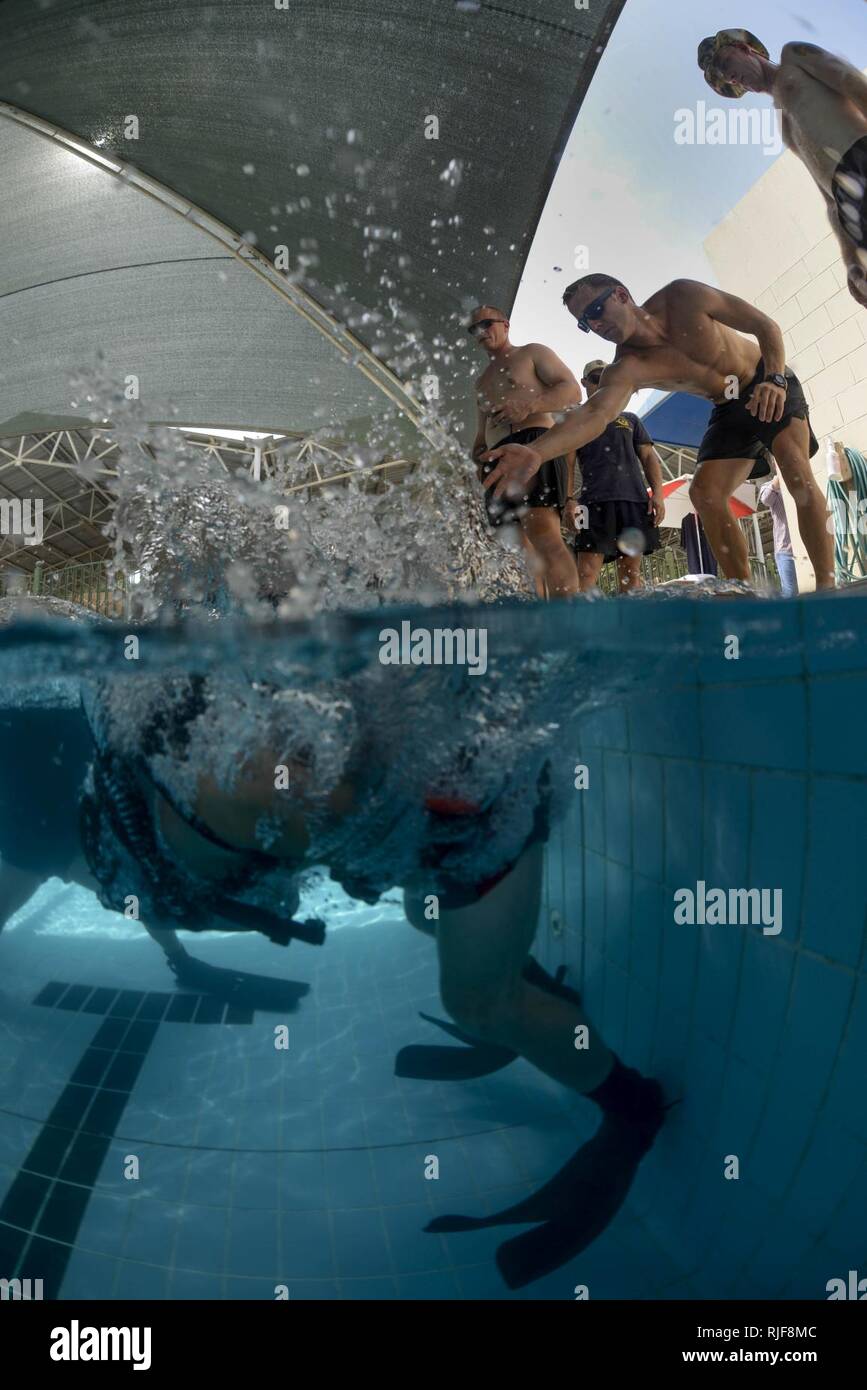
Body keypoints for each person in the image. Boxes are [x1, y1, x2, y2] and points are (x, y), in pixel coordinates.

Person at [482, 272, 836, 590]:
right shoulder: (627, 367)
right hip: (727, 409)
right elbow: (596, 414)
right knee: (705, 494)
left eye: (595, 310)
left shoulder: (684, 297)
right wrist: (536, 452)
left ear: (621, 295)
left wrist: (774, 378)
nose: (594, 324)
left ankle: (826, 587)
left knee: (796, 470)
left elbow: (765, 326)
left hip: (765, 379)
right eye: (584, 323)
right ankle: (741, 591)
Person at [697, 29, 867, 308]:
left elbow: (855, 85)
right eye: (722, 77)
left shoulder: (793, 56)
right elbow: (828, 199)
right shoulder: (785, 127)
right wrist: (850, 260)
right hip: (848, 201)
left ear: (745, 49)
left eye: (725, 64)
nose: (729, 77)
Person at [467, 305, 581, 598]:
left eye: (486, 324)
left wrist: (529, 405)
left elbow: (572, 392)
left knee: (545, 537)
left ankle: (568, 624)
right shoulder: (480, 382)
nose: (481, 332)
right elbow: (481, 434)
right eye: (474, 329)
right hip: (498, 457)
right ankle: (538, 623)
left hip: (533, 444)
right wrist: (478, 454)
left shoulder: (531, 353)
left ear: (505, 324)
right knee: (517, 551)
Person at [566, 358, 666, 593]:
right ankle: (584, 627)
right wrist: (569, 500)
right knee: (587, 572)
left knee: (631, 573)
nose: (601, 383)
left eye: (605, 378)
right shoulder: (576, 419)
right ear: (584, 383)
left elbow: (649, 457)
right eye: (595, 378)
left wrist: (658, 494)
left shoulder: (630, 418)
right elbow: (567, 463)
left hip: (633, 501)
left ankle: (629, 627)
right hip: (593, 503)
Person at [759, 466, 799, 596]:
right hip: (786, 550)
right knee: (790, 593)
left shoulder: (800, 480)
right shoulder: (770, 485)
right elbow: (765, 499)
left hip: (806, 547)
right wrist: (777, 481)